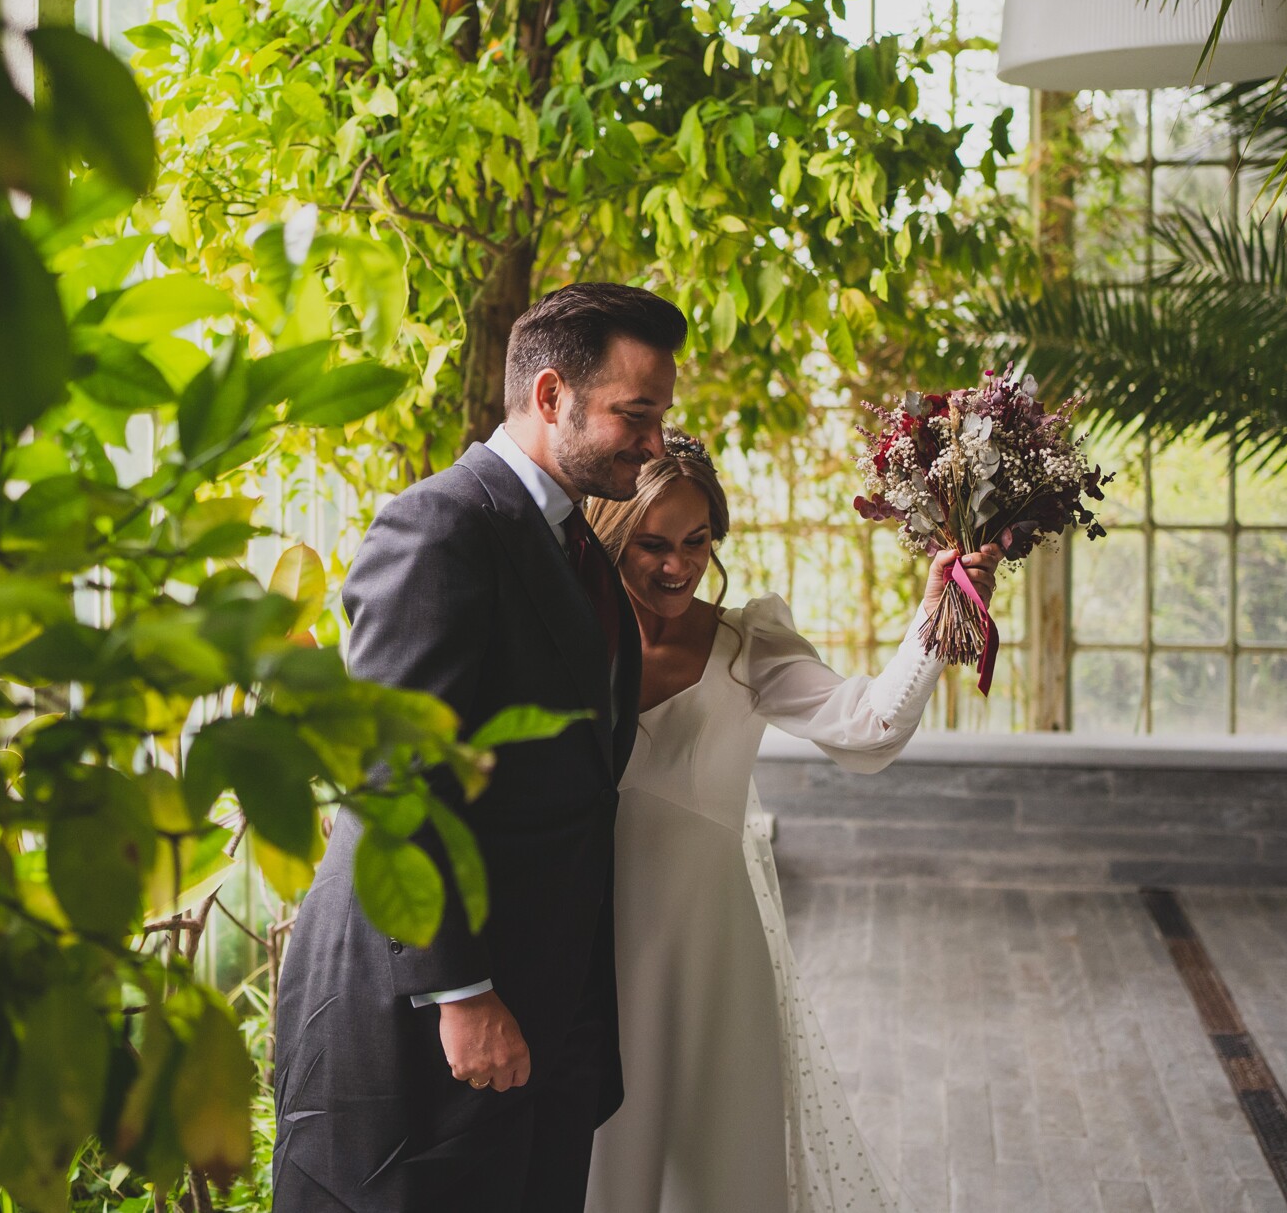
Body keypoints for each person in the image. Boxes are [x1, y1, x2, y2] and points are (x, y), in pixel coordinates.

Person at [269, 283, 685, 1213]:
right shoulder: (440, 527)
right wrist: (460, 992)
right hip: (425, 1032)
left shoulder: (574, 544)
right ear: (549, 397)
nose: (656, 442)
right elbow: (389, 774)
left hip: (547, 1019)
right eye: (636, 413)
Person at [581, 432, 1000, 1213]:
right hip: (589, 949)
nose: (678, 565)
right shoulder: (564, 636)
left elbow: (870, 726)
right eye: (653, 543)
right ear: (610, 532)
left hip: (711, 946)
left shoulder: (747, 643)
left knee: (719, 1166)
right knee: (601, 1165)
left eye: (698, 540)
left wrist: (939, 613)